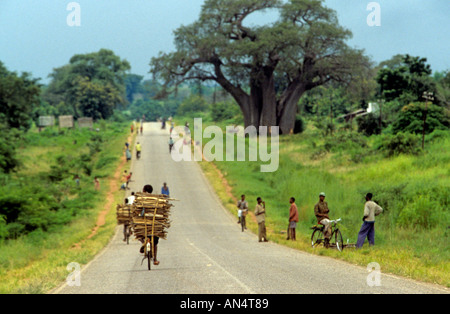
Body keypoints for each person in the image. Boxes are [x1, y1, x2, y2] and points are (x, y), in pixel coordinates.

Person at [140, 184, 160, 266]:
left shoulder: (141, 200)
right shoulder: (156, 200)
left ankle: (143, 243)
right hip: (154, 225)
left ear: (144, 191)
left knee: (139, 234)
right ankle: (155, 259)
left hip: (144, 224)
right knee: (155, 244)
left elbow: (141, 213)